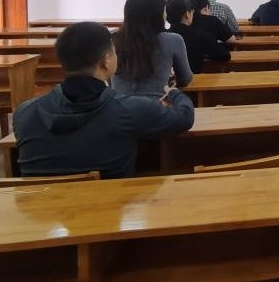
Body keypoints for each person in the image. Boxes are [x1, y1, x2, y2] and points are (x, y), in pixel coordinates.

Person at [12, 21, 195, 179]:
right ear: (106, 61)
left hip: (42, 206)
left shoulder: (25, 113)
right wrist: (174, 93)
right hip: (110, 205)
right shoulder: (131, 109)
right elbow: (185, 117)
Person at [112, 0, 193, 97]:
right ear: (157, 15)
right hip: (156, 104)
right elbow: (185, 79)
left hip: (119, 103)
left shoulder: (113, 39)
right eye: (164, 10)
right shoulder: (173, 40)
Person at [166, 0, 230, 73]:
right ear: (187, 14)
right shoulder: (200, 35)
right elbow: (225, 56)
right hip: (193, 78)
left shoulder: (162, 36)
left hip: (167, 78)